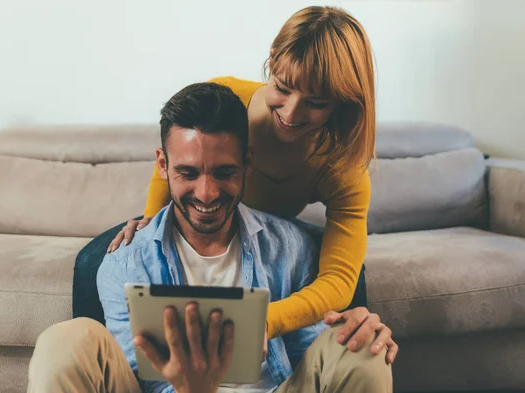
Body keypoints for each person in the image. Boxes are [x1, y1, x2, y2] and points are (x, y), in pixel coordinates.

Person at [73, 5, 395, 356]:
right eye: (283, 88)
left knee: (353, 278)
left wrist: (264, 320)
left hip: (270, 228)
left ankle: (343, 362)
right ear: (272, 61)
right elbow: (180, 154)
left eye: (315, 102)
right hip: (203, 214)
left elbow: (338, 280)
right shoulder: (225, 100)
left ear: (341, 101)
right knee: (95, 260)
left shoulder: (343, 165)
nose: (291, 113)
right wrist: (151, 219)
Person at [29, 82, 392, 393]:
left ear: (247, 163)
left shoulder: (290, 249)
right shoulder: (125, 262)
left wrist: (356, 335)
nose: (206, 193)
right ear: (162, 165)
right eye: (188, 172)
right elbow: (140, 380)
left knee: (363, 347)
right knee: (65, 342)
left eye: (224, 172)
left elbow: (312, 358)